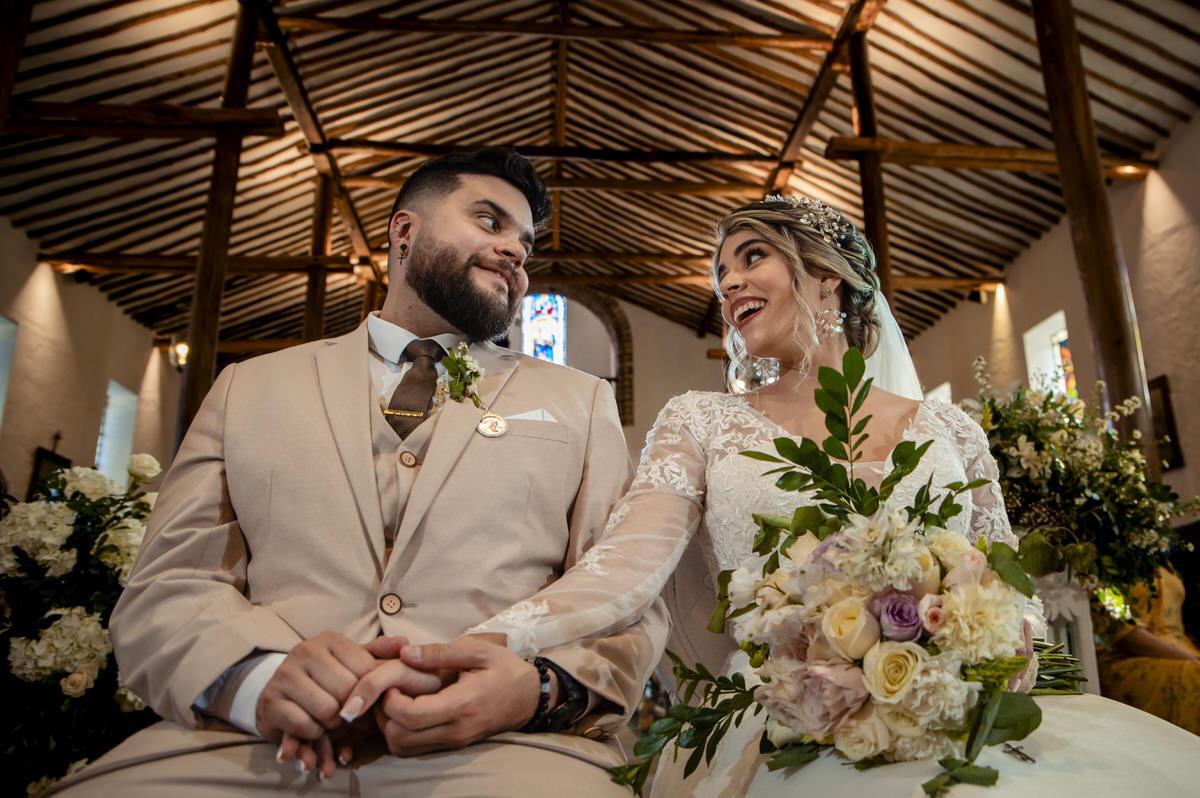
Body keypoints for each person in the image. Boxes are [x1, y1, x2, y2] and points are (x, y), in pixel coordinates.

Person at [463, 196, 1200, 796]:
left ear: (827, 276)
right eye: (720, 271)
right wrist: (490, 643)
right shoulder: (699, 421)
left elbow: (1008, 585)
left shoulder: (950, 429)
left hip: (956, 709)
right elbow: (624, 564)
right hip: (788, 718)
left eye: (752, 257)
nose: (727, 284)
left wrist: (994, 663)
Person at [48, 148, 667, 797]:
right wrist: (257, 678)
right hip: (245, 751)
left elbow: (624, 602)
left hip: (507, 754)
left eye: (525, 243)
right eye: (490, 223)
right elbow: (164, 588)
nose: (515, 251)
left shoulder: (582, 401)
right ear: (404, 231)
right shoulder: (247, 387)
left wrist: (533, 690)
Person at [1097, 566, 1200, 734]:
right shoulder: (1104, 567)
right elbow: (1126, 632)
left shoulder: (1162, 561)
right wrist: (1188, 658)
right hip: (1126, 658)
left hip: (1184, 651)